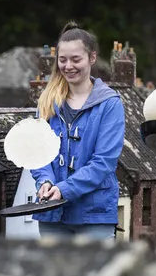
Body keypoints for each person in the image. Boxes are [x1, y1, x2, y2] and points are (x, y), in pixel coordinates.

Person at [30, 21, 125, 240]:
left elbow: (104, 161)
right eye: (62, 60)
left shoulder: (110, 104)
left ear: (92, 58)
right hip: (51, 216)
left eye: (76, 59)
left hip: (94, 216)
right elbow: (37, 153)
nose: (68, 66)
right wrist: (44, 181)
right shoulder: (47, 101)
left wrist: (64, 189)